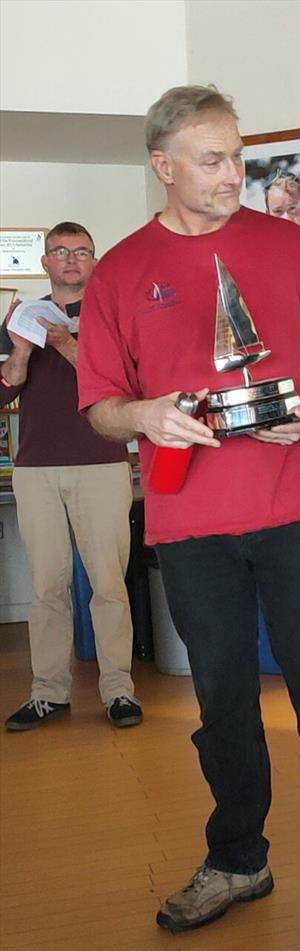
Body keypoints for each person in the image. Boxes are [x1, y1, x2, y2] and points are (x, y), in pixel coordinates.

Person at [76, 85, 300, 951]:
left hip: (297, 514)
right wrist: (144, 416)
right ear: (165, 165)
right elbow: (101, 406)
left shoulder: (288, 244)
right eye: (213, 160)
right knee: (222, 706)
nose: (234, 175)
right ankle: (238, 860)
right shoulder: (117, 273)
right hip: (189, 526)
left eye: (238, 156)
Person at [0, 222, 141, 732]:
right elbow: (4, 391)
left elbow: (126, 384)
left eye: (82, 251)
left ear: (94, 261)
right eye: (60, 251)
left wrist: (63, 343)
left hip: (101, 464)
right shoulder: (20, 319)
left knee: (107, 585)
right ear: (45, 262)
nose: (71, 259)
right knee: (47, 589)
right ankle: (48, 694)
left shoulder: (113, 317)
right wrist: (21, 348)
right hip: (36, 469)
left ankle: (118, 691)